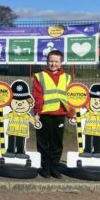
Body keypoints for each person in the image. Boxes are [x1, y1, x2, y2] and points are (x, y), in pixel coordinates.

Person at [32, 49, 73, 179]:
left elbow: (70, 97)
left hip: (60, 114)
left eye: (56, 61)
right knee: (43, 142)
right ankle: (45, 168)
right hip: (44, 114)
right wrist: (37, 112)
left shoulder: (67, 77)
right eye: (51, 61)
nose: (53, 63)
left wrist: (70, 114)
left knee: (57, 143)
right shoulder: (39, 76)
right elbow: (37, 95)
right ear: (47, 61)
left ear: (61, 63)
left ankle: (54, 168)